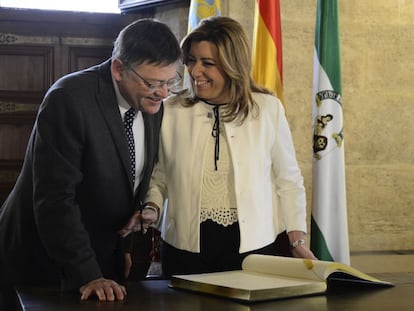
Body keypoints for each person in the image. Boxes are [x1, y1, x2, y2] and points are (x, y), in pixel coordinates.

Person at [0, 18, 182, 309]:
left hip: (98, 256)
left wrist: (119, 249)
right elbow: (55, 200)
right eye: (153, 83)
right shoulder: (68, 99)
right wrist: (88, 273)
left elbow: (128, 176)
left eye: (170, 81)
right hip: (43, 259)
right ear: (118, 69)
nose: (163, 93)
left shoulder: (153, 104)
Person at [120, 16, 316, 277]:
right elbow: (159, 175)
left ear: (233, 65)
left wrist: (297, 240)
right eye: (191, 60)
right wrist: (152, 207)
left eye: (207, 63)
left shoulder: (267, 109)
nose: (194, 71)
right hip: (184, 247)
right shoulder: (171, 110)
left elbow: (288, 180)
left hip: (253, 247)